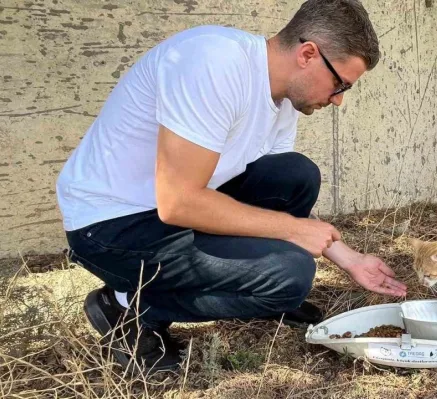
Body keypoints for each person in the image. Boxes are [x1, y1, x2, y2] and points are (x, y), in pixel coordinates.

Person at [55, 0, 407, 373]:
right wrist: (294, 230)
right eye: (340, 84)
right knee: (292, 276)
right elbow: (178, 203)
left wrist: (350, 259)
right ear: (308, 54)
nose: (338, 100)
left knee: (295, 173)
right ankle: (129, 308)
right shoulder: (212, 63)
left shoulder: (283, 97)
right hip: (112, 226)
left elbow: (278, 206)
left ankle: (256, 291)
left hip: (166, 211)